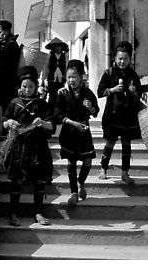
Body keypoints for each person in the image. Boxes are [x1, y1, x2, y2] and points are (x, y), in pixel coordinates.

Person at [2, 66, 55, 226]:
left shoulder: (41, 105)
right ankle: (13, 213)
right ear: (20, 87)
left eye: (30, 86)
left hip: (37, 147)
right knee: (16, 180)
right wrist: (9, 122)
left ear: (35, 87)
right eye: (24, 86)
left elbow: (52, 126)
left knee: (39, 181)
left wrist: (42, 122)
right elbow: (3, 122)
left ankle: (38, 213)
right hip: (18, 147)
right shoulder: (13, 103)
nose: (27, 89)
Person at [54, 59, 99, 206]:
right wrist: (72, 122)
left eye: (74, 76)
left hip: (84, 132)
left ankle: (81, 183)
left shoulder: (88, 93)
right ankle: (73, 192)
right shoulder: (62, 93)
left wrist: (91, 107)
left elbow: (96, 112)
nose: (71, 80)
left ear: (82, 77)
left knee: (87, 161)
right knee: (71, 162)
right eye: (69, 77)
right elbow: (58, 114)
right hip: (69, 132)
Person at [96, 41, 142, 184]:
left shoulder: (133, 75)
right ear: (115, 58)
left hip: (128, 115)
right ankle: (103, 168)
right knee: (110, 142)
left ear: (130, 59)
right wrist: (113, 90)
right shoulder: (108, 73)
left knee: (126, 144)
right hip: (112, 114)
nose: (122, 62)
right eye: (120, 58)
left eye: (125, 59)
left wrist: (135, 92)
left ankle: (125, 172)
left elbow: (139, 94)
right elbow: (99, 92)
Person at [45, 37, 69, 115]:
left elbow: (66, 66)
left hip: (61, 78)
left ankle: (59, 114)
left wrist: (67, 78)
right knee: (52, 96)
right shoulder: (50, 55)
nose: (57, 48)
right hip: (52, 78)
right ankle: (50, 114)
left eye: (59, 46)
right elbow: (46, 66)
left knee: (60, 96)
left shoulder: (64, 55)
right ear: (53, 47)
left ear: (62, 47)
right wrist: (43, 79)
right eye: (55, 46)